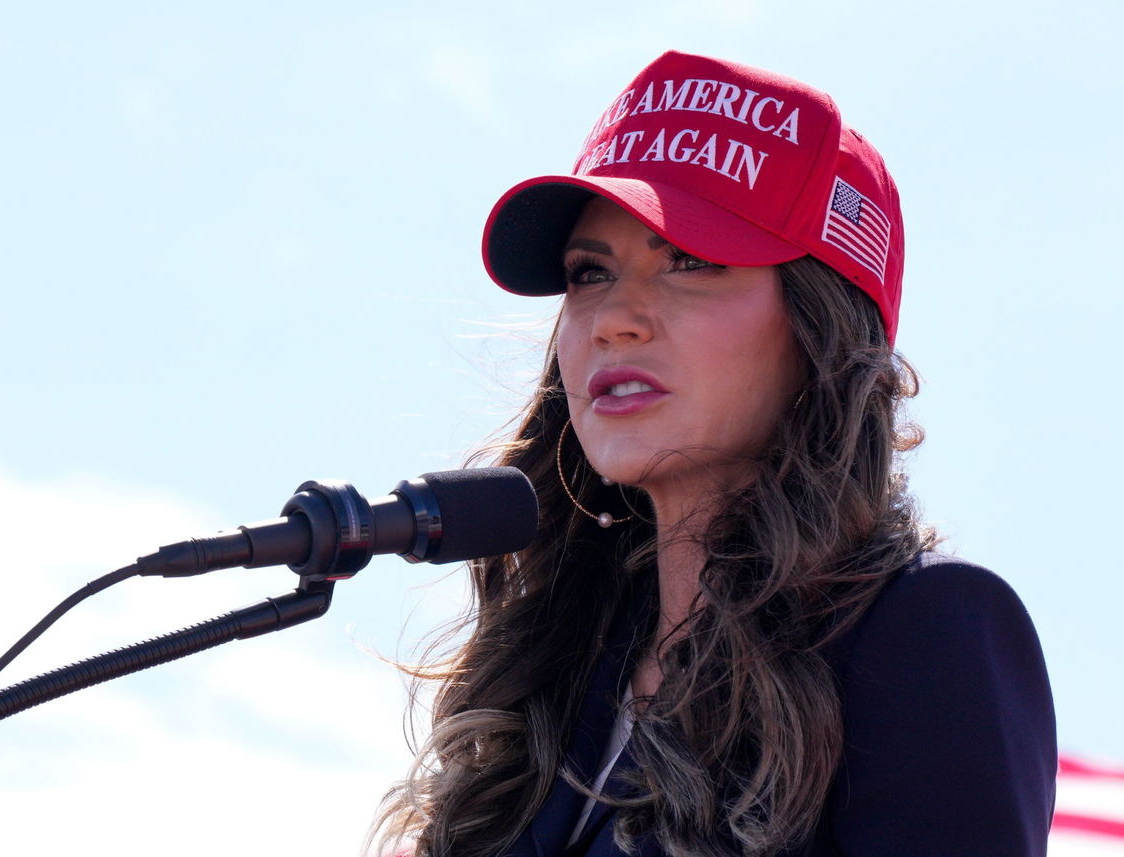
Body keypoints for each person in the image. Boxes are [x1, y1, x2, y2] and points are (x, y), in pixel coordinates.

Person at [371, 51, 1057, 857]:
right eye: (588, 273)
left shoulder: (929, 633)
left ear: (821, 330)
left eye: (691, 261)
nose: (613, 319)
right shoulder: (553, 667)